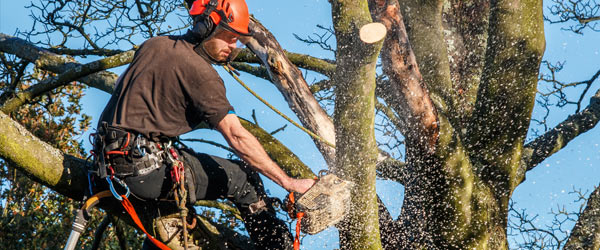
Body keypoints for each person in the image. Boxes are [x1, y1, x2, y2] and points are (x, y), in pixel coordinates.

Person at [92, 0, 315, 249]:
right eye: (229, 37)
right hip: (145, 171)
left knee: (171, 214)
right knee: (244, 178)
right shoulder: (201, 72)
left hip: (107, 165)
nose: (232, 47)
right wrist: (289, 183)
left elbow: (127, 91)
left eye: (238, 41)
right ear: (206, 26)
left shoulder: (154, 45)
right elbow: (236, 135)